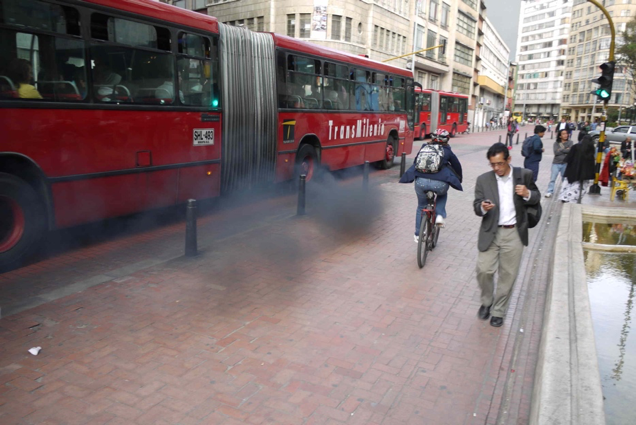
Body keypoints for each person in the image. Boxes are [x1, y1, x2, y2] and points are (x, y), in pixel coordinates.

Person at [474, 142, 540, 327]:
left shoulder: (524, 175)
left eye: (500, 164)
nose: (496, 168)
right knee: (484, 270)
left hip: (514, 232)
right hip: (491, 232)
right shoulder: (483, 180)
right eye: (492, 164)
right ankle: (487, 301)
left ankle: (498, 311)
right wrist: (482, 207)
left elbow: (536, 197)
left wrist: (527, 193)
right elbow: (476, 206)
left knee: (508, 274)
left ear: (508, 160)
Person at [399, 129, 463, 242]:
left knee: (421, 206)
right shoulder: (447, 151)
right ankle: (439, 215)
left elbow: (416, 163)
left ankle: (418, 235)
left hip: (420, 183)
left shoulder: (424, 148)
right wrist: (459, 179)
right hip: (439, 184)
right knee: (442, 194)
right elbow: (457, 166)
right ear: (446, 139)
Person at [558, 135, 596, 203]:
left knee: (569, 184)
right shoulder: (591, 149)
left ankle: (565, 197)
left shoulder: (575, 147)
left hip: (573, 170)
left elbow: (568, 158)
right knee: (581, 186)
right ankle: (575, 198)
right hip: (585, 173)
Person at [545, 129, 573, 198]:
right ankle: (549, 191)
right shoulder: (556, 143)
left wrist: (561, 149)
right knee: (553, 178)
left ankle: (564, 192)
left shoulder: (570, 142)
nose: (565, 135)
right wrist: (565, 150)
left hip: (565, 163)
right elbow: (556, 152)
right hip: (556, 163)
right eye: (563, 134)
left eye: (566, 133)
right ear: (560, 136)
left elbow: (570, 151)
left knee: (564, 179)